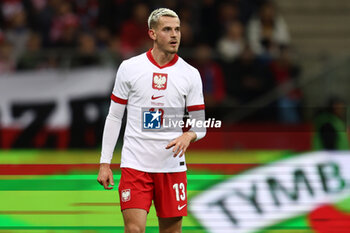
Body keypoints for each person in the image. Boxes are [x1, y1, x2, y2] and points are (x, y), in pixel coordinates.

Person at [97, 8, 206, 233]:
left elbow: (200, 124)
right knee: (134, 230)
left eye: (177, 29)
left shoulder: (190, 74)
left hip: (171, 167)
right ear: (152, 34)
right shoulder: (129, 68)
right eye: (167, 29)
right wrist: (105, 162)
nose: (174, 35)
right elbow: (115, 116)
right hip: (135, 165)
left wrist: (189, 134)